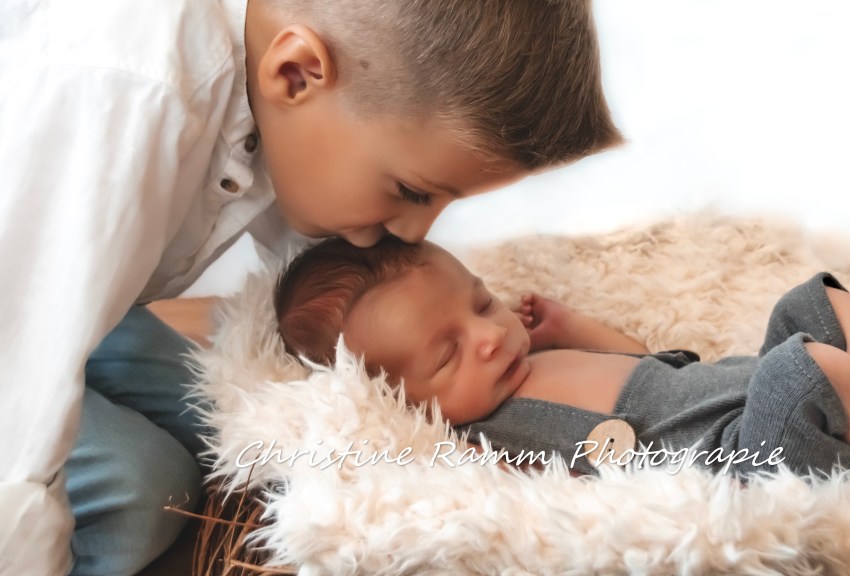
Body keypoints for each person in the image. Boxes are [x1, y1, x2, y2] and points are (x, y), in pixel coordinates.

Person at [0, 0, 621, 573]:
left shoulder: (292, 106)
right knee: (142, 488)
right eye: (411, 191)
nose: (414, 232)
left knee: (230, 421)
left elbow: (324, 314)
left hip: (77, 300)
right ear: (296, 75)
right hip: (16, 310)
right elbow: (22, 398)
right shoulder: (126, 90)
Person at [275, 237, 850, 477]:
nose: (491, 335)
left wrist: (575, 325)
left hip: (737, 380)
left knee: (810, 300)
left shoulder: (537, 357)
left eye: (481, 303)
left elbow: (649, 364)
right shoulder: (479, 440)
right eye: (448, 353)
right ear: (396, 398)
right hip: (742, 453)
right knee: (805, 367)